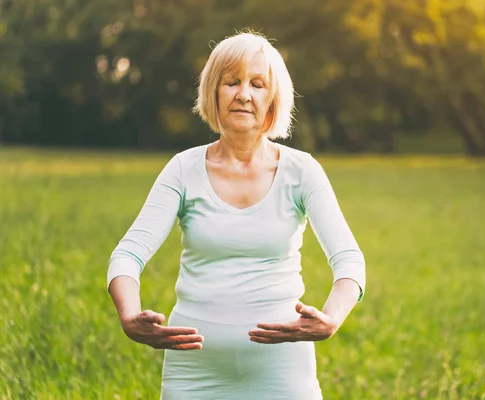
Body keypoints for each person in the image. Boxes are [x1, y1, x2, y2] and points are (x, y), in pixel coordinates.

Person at [107, 31, 366, 400]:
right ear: (214, 92)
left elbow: (350, 261)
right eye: (232, 82)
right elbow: (128, 254)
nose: (243, 93)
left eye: (257, 84)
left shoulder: (302, 172)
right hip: (194, 372)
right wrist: (128, 315)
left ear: (273, 99)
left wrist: (332, 318)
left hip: (282, 370)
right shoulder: (183, 169)